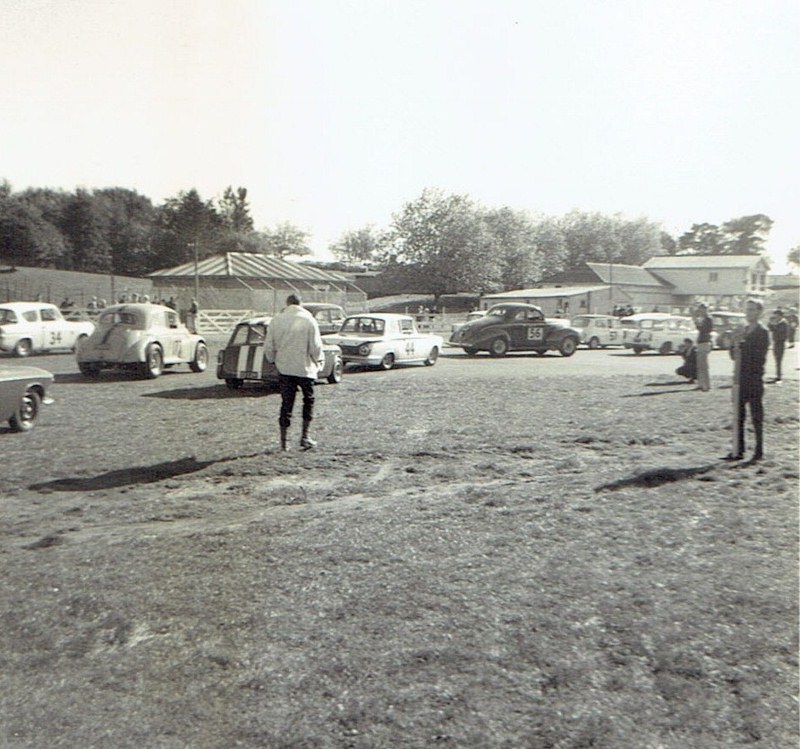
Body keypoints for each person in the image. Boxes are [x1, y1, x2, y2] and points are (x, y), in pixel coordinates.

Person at [264, 294, 324, 451]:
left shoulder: (276, 320)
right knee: (308, 400)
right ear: (300, 303)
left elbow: (269, 345)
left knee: (286, 403)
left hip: (285, 368)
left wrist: (272, 360)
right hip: (305, 368)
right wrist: (318, 360)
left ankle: (284, 443)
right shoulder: (309, 320)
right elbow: (315, 346)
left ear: (287, 303)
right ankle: (305, 437)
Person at [726, 299, 769, 462]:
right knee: (738, 415)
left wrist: (742, 346)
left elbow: (758, 358)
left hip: (754, 379)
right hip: (739, 378)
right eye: (747, 309)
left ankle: (759, 450)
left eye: (752, 310)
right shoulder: (743, 330)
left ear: (759, 312)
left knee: (756, 416)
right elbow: (733, 356)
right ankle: (738, 449)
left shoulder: (762, 332)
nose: (748, 313)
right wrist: (733, 344)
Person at [694, 303, 713, 391]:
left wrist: (697, 322)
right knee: (700, 365)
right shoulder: (704, 319)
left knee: (704, 365)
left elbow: (703, 330)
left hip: (705, 342)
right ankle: (701, 383)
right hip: (701, 342)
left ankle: (706, 384)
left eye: (702, 309)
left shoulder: (708, 319)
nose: (701, 311)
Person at [767, 308, 789, 383]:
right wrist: (770, 322)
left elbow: (778, 331)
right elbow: (771, 328)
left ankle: (779, 376)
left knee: (778, 360)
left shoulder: (783, 323)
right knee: (777, 359)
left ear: (780, 315)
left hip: (780, 342)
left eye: (776, 315)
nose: (775, 316)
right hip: (776, 342)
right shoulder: (779, 323)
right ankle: (778, 374)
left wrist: (774, 324)